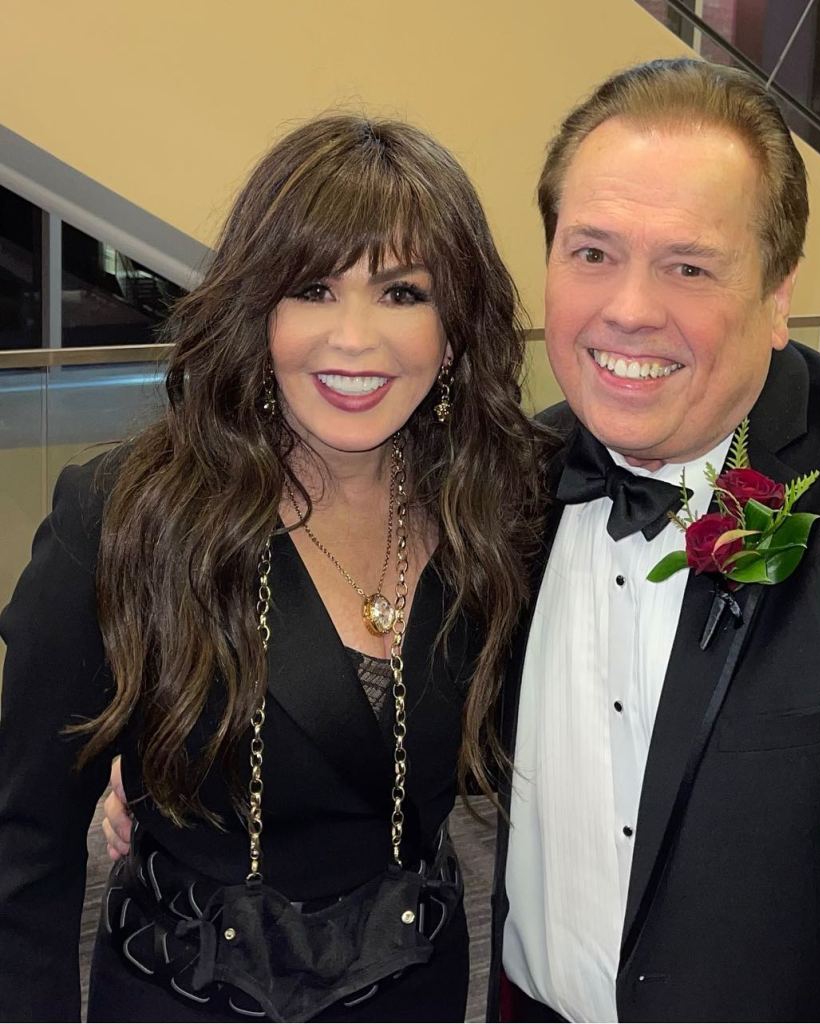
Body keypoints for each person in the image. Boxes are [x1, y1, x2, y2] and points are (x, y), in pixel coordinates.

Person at [489, 59, 820, 1021]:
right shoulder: (502, 486)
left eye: (689, 266)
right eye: (592, 252)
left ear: (779, 296)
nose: (629, 309)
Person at [0, 114, 550, 1022]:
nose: (356, 340)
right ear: (258, 310)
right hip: (190, 998)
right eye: (315, 289)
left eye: (404, 293)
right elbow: (25, 853)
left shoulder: (499, 510)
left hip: (416, 990)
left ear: (454, 334)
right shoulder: (126, 517)